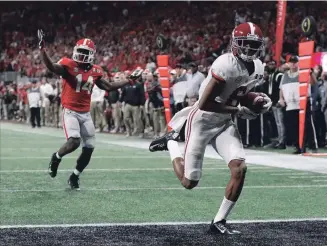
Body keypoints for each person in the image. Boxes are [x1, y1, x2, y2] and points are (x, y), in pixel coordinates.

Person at [149, 23, 272, 234]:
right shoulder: (225, 64)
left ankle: (219, 221)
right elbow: (205, 103)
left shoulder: (258, 67)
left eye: (254, 45)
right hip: (203, 120)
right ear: (235, 44)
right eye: (246, 44)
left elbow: (240, 93)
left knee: (239, 169)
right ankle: (170, 142)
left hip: (224, 123)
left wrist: (256, 99)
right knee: (189, 182)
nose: (250, 50)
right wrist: (237, 108)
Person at [38, 30, 132, 190]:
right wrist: (42, 50)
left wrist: (127, 80)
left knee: (89, 148)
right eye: (79, 51)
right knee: (74, 141)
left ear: (91, 54)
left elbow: (108, 86)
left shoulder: (96, 70)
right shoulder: (68, 64)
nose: (81, 54)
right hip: (70, 111)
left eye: (84, 52)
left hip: (85, 113)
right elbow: (52, 67)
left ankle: (74, 176)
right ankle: (56, 157)